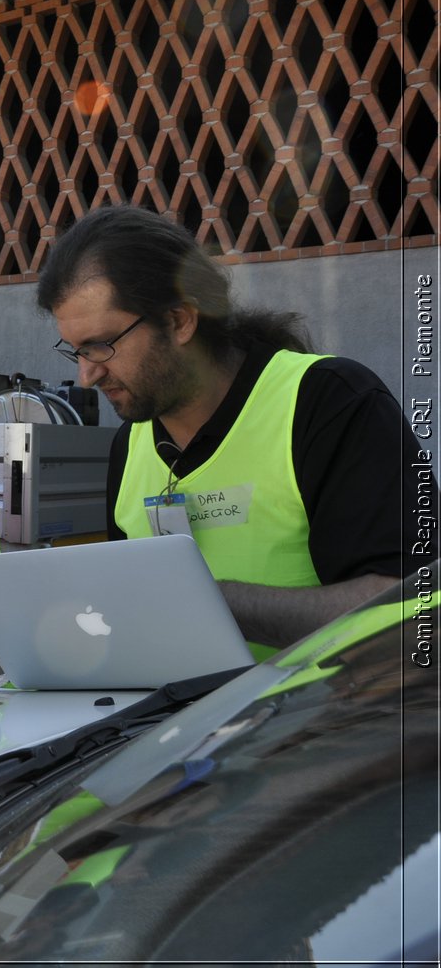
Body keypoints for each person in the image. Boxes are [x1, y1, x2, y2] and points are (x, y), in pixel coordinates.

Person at [37, 204, 425, 656]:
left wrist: (210, 601)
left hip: (317, 721)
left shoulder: (328, 401)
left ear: (180, 320)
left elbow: (411, 610)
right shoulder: (131, 441)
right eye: (75, 351)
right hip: (166, 721)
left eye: (101, 345)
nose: (87, 375)